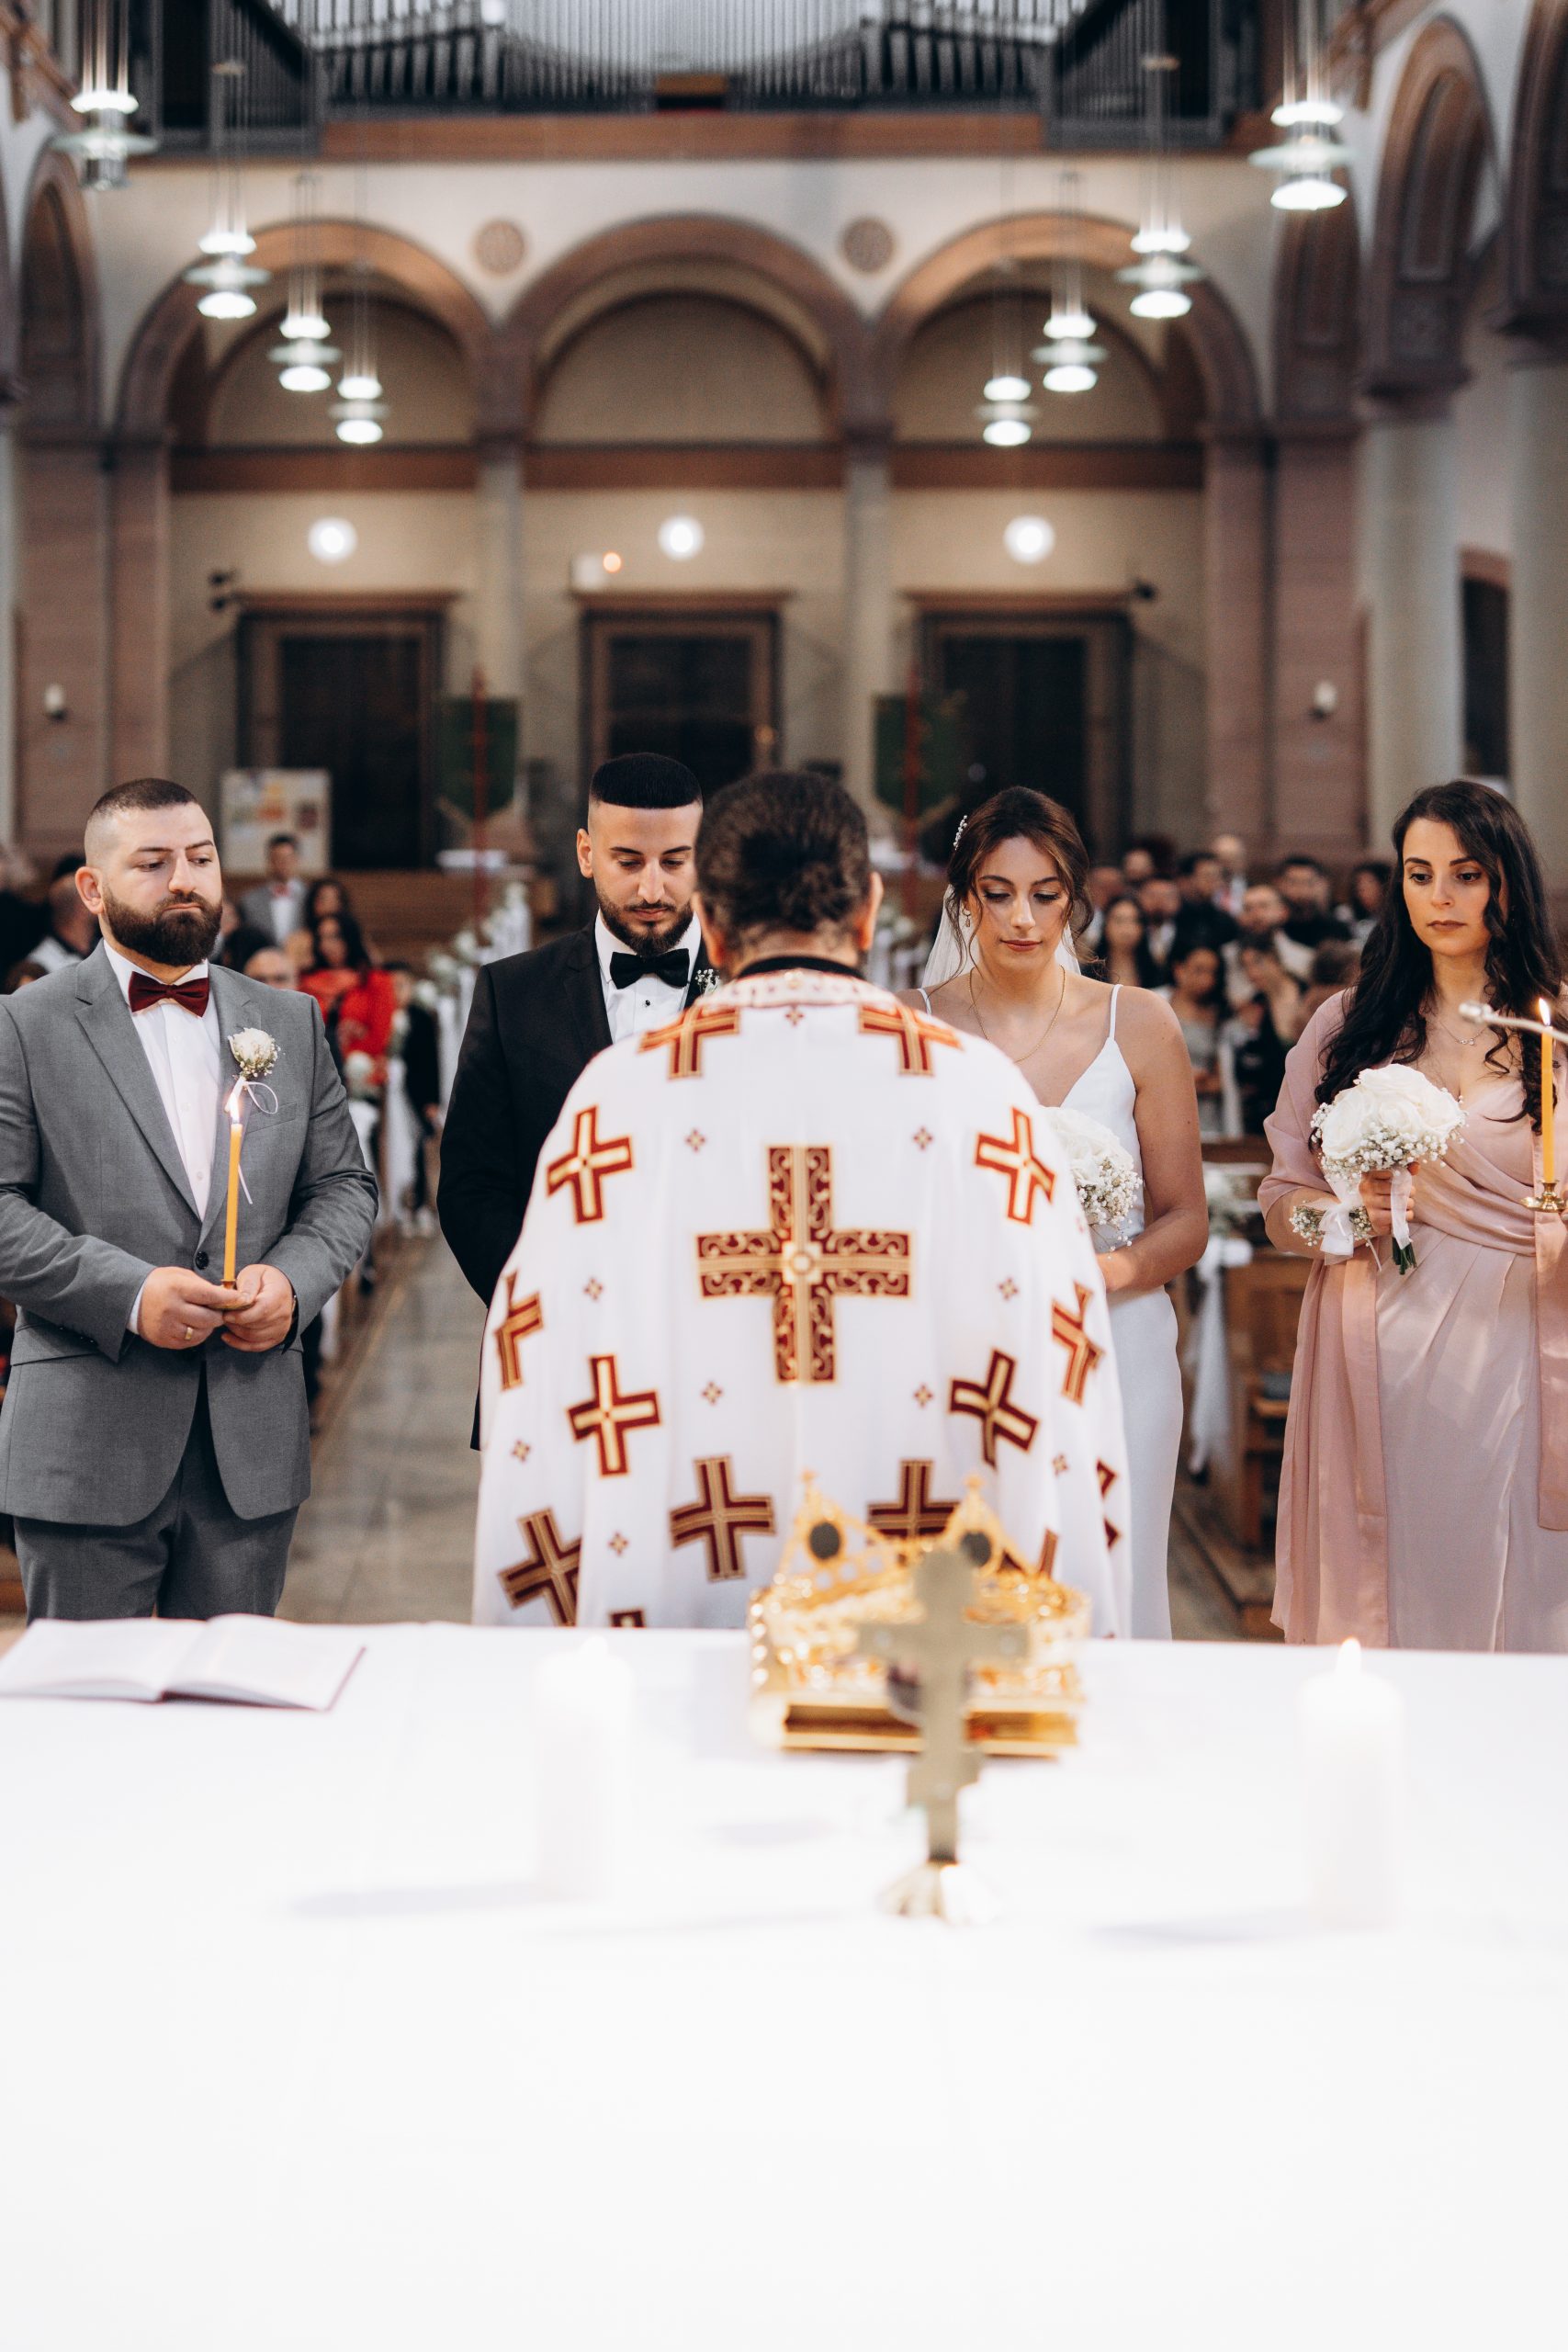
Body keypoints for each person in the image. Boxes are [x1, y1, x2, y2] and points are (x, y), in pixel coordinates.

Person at [474, 771, 1127, 1633]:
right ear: (868, 910)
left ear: (709, 917)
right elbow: (1056, 1353)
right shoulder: (979, 1097)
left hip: (680, 1567)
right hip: (916, 1608)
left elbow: (538, 1350)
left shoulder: (617, 1100)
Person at [0, 778, 376, 1619]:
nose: (185, 879)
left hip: (247, 1443)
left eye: (201, 858)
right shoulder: (24, 1025)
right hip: (88, 1439)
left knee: (232, 1730)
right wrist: (128, 1295)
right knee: (97, 1733)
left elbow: (344, 1187)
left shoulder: (286, 1021)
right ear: (92, 889)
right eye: (154, 861)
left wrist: (291, 1282)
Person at [1260, 780, 1568, 1650]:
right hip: (1375, 1336)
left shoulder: (1554, 1029)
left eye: (1465, 875)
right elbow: (1282, 1201)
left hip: (1513, 1337)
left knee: (1505, 1565)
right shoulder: (1348, 1026)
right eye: (1419, 873)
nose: (1440, 896)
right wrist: (1339, 1217)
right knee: (1391, 1576)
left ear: (1506, 881)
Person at [906, 786, 1206, 1640]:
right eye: (997, 894)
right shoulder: (912, 1027)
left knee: (1116, 1573)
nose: (1022, 919)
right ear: (965, 899)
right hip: (966, 1342)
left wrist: (1103, 1272)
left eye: (1045, 895)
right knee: (975, 1579)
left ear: (1075, 898)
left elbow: (1185, 1216)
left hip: (1116, 1339)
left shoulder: (1139, 1023)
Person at [440, 752, 711, 1334]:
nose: (651, 887)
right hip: (552, 1334)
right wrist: (541, 1307)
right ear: (587, 854)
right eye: (629, 861)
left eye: (674, 861)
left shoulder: (750, 993)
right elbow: (472, 1183)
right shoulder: (513, 992)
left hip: (711, 1346)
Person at [300, 913, 395, 1078]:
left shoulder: (376, 981)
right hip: (313, 1072)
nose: (326, 945)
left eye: (334, 937)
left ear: (349, 938)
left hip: (361, 1072)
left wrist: (342, 1053)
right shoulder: (307, 982)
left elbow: (380, 1037)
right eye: (321, 938)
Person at [1160, 941, 1230, 1136]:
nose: (1206, 979)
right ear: (1179, 969)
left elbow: (1224, 1078)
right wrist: (1180, 1078)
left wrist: (1205, 1082)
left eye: (1212, 972)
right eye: (1199, 970)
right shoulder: (1155, 1003)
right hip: (1162, 1103)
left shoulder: (1221, 1015)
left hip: (1205, 1112)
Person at [240, 832, 308, 947]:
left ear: (297, 859)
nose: (284, 863)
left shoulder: (309, 896)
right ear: (269, 861)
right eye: (278, 858)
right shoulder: (250, 901)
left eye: (288, 858)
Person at [1277, 854, 1350, 956]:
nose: (1301, 889)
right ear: (1280, 884)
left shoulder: (1336, 929)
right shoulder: (1274, 928)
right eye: (1293, 882)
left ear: (1319, 884)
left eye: (1308, 882)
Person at [1171, 850, 1239, 959]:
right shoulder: (1171, 916)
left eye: (1218, 876)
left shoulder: (1225, 921)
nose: (1215, 882)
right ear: (1185, 880)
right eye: (1208, 875)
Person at [29, 875, 97, 973]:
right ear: (81, 908)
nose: (102, 903)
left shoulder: (106, 950)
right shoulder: (40, 965)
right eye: (92, 896)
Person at [1099, 894, 1163, 991]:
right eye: (1119, 921)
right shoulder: (1089, 971)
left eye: (1134, 921)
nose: (1127, 929)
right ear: (1105, 925)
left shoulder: (1155, 972)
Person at [1341, 857, 1393, 946]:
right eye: (1359, 883)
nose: (1362, 888)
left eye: (1369, 882)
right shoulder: (1345, 915)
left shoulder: (1396, 918)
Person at [1211, 830, 1247, 917]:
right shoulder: (1205, 890)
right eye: (1222, 859)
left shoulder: (1252, 889)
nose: (1227, 865)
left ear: (1243, 861)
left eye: (1233, 858)